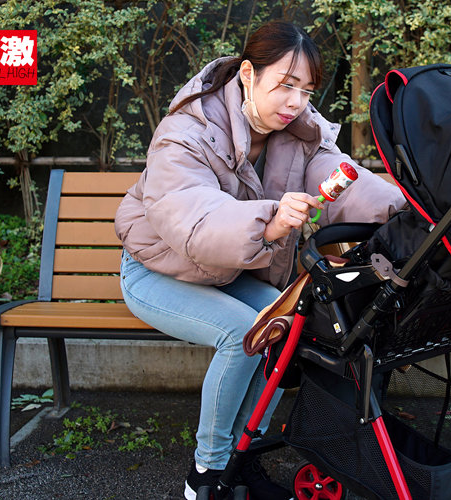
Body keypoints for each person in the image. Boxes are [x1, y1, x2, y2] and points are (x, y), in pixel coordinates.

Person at [114, 20, 406, 500]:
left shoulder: (298, 131)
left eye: (306, 90)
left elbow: (337, 177)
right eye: (285, 86)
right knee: (241, 333)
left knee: (283, 326)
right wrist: (268, 223)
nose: (295, 102)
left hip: (227, 271)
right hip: (156, 271)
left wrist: (404, 212)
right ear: (248, 74)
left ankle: (238, 460)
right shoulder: (185, 132)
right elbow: (194, 221)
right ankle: (206, 475)